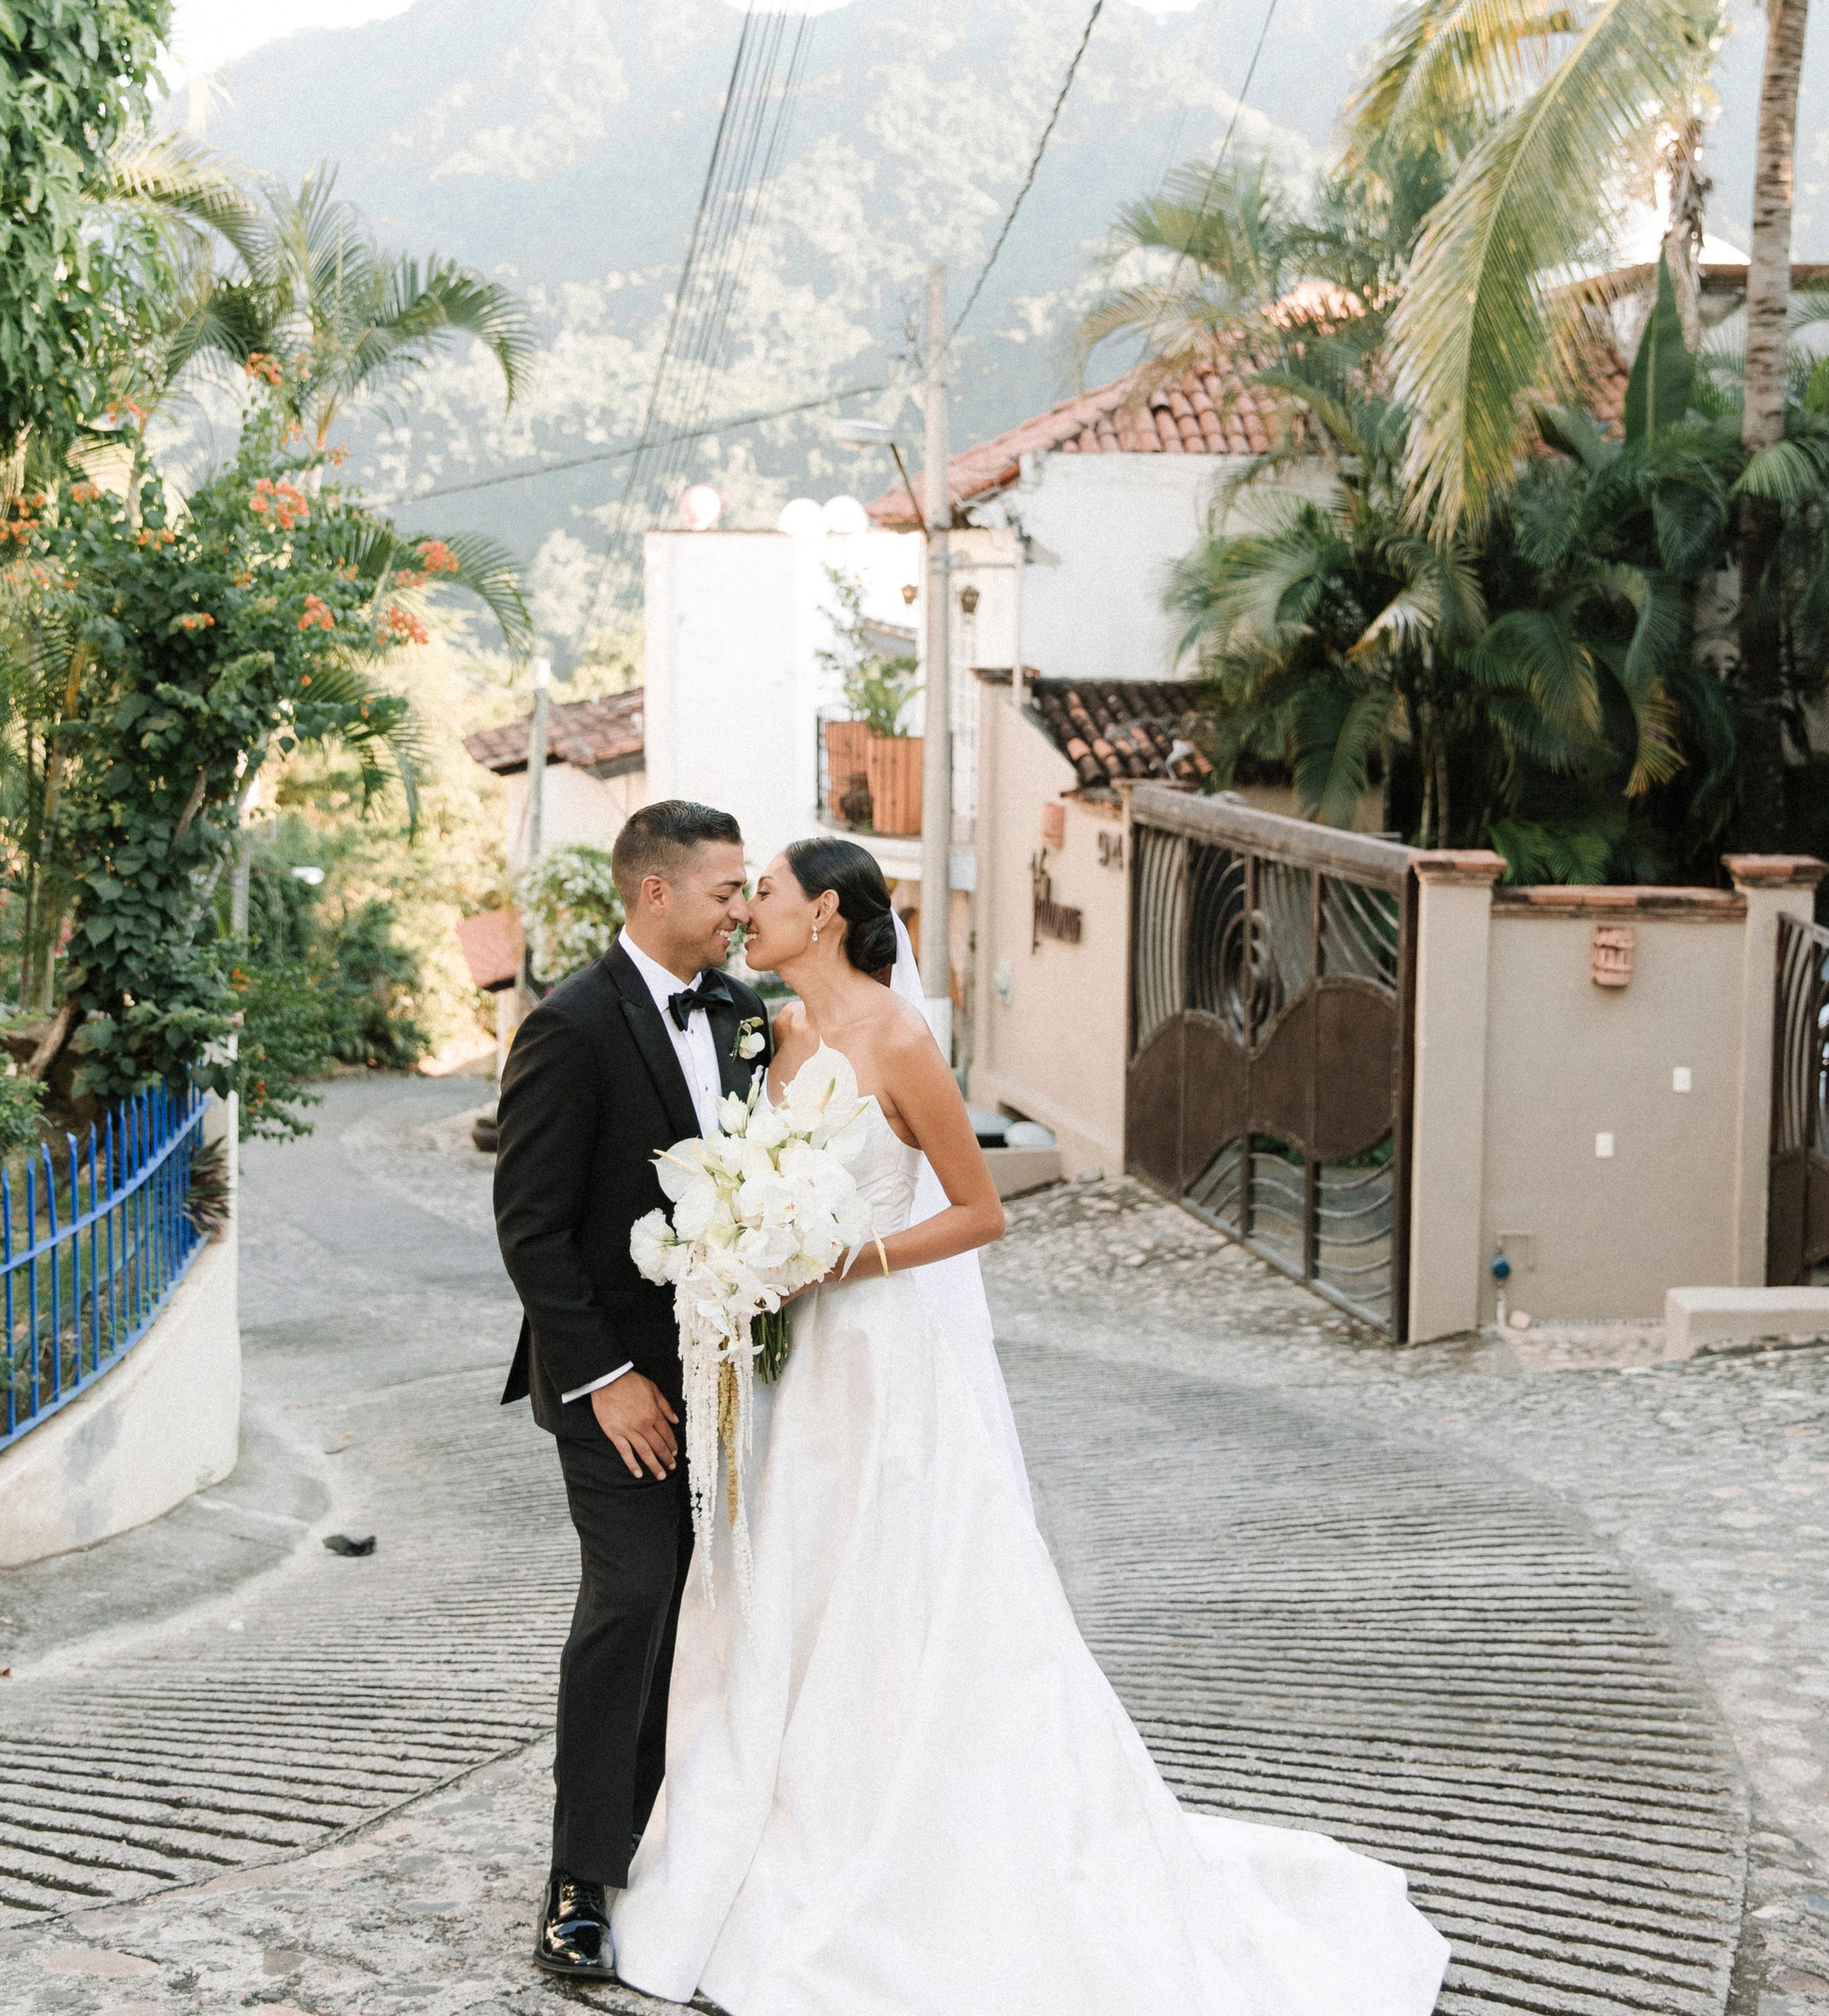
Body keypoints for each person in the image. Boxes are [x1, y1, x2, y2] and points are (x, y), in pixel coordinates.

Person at [611, 835, 1450, 2015]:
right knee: (790, 1599)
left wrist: (842, 1260)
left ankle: (920, 1848)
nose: (751, 912)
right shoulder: (778, 1033)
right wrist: (743, 1254)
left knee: (898, 1603)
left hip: (881, 1360)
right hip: (798, 1379)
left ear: (834, 915)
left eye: (773, 896)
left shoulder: (899, 1042)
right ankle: (781, 1824)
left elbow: (982, 1212)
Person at [492, 799, 772, 1982]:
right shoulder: (570, 1024)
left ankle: (690, 1841)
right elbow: (531, 1229)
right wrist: (608, 1381)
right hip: (614, 1388)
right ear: (655, 894)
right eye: (724, 892)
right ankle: (580, 1878)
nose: (742, 912)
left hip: (731, 1383)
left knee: (720, 1608)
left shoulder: (748, 1016)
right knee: (633, 1599)